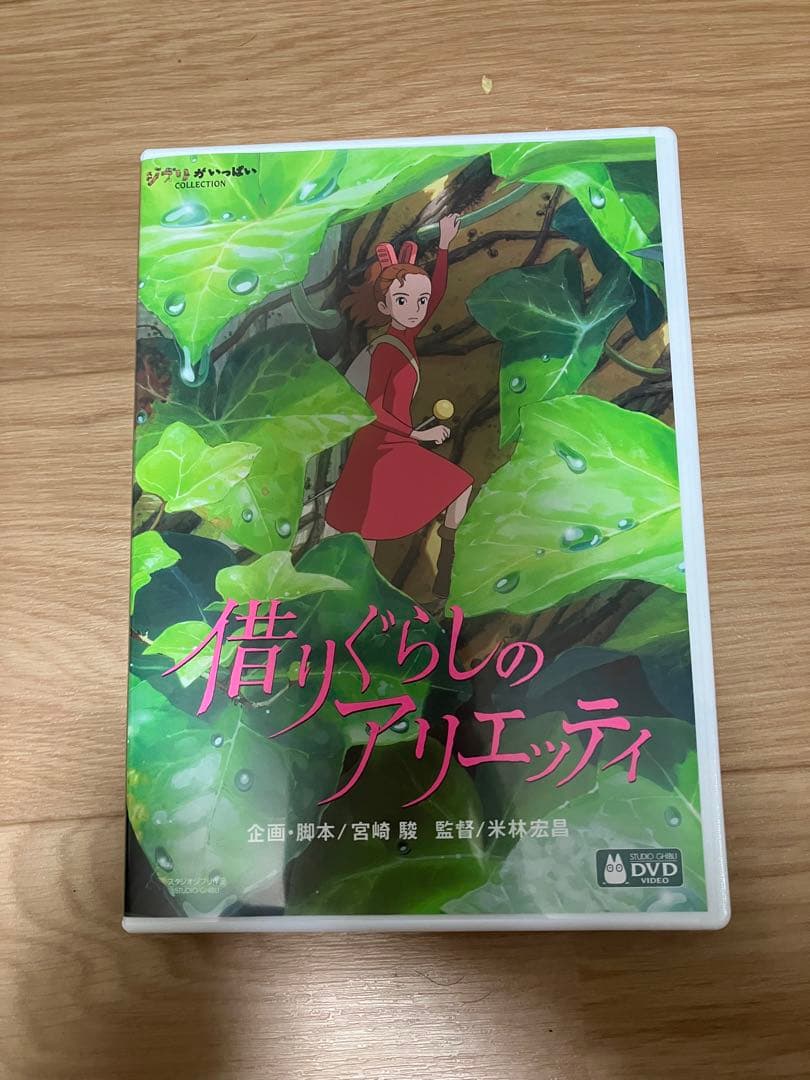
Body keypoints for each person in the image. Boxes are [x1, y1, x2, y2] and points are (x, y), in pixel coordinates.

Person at [325, 214, 473, 599]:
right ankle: (357, 601)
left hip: (396, 445)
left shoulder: (406, 334)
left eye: (420, 301)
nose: (416, 308)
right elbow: (373, 409)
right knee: (367, 535)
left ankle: (446, 568)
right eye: (404, 301)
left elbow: (436, 294)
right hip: (379, 449)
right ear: (385, 304)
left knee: (459, 486)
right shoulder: (387, 351)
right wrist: (417, 434)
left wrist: (444, 246)